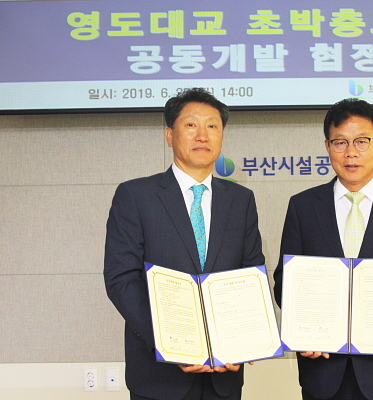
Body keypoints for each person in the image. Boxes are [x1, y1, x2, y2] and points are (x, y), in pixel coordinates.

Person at [104, 88, 265, 400]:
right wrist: (169, 345)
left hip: (224, 375)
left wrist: (245, 342)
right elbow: (121, 279)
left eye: (212, 126)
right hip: (159, 376)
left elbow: (251, 274)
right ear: (169, 135)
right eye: (191, 125)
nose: (202, 135)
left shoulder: (241, 200)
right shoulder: (136, 196)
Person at [273, 98, 373, 400]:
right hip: (322, 369)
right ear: (327, 146)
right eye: (340, 142)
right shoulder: (303, 206)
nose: (351, 152)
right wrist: (303, 327)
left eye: (361, 141)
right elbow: (286, 279)